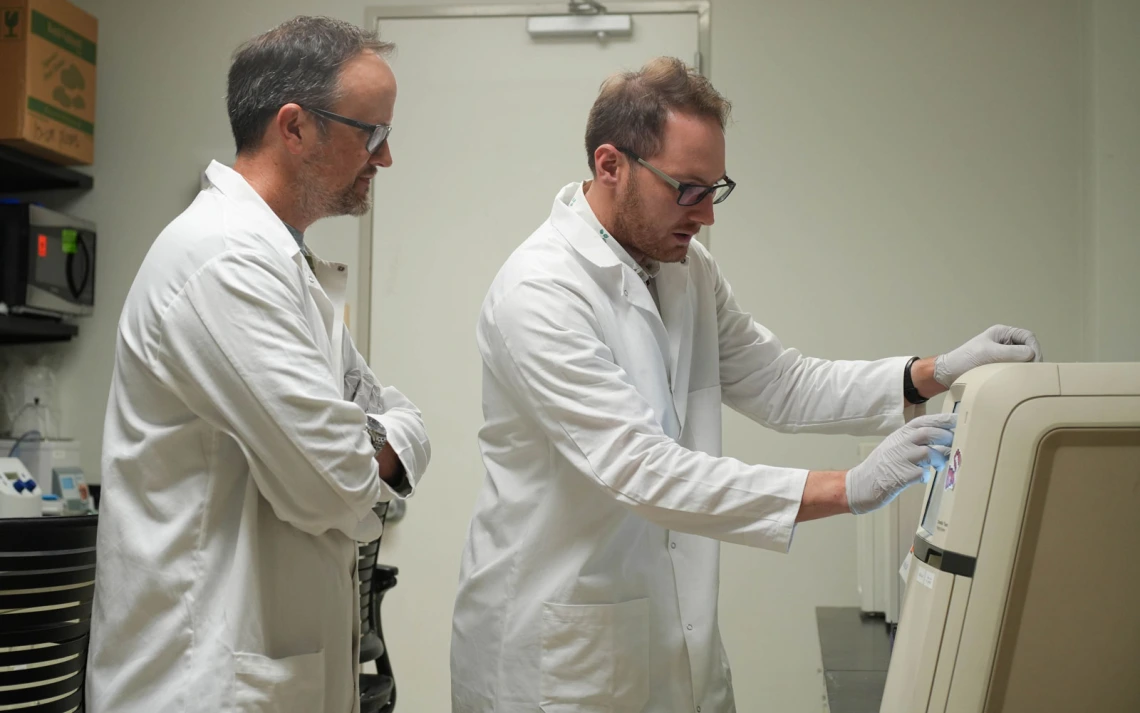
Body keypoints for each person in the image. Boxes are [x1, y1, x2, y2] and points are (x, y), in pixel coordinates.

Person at [450, 57, 1041, 712]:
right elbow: (641, 470)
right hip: (557, 656)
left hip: (674, 645)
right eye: (687, 189)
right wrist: (846, 487)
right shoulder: (540, 291)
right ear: (610, 165)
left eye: (715, 189)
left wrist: (931, 371)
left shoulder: (685, 270)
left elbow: (780, 382)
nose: (706, 217)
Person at [87, 17, 429, 713]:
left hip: (267, 673)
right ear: (295, 127)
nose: (385, 158)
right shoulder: (222, 261)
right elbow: (336, 486)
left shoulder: (284, 266)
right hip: (199, 683)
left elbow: (395, 417)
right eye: (373, 134)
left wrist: (375, 445)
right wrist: (374, 451)